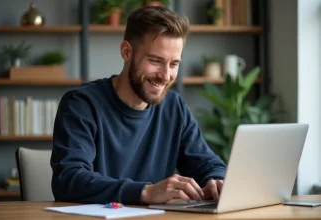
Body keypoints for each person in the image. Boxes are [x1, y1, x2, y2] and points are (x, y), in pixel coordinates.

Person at [51, 6, 226, 205]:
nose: (166, 75)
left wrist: (217, 180)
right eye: (155, 61)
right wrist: (146, 192)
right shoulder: (81, 104)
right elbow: (68, 180)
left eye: (174, 64)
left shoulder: (174, 106)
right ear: (126, 52)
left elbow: (208, 164)